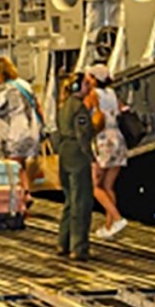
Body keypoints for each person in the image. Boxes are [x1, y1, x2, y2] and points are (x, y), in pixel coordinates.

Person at [0, 57, 48, 193]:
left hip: (14, 135)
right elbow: (38, 107)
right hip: (31, 132)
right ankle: (26, 194)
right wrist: (44, 128)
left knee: (11, 169)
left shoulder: (2, 89)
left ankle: (18, 201)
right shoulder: (24, 84)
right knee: (21, 166)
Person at [51, 72, 102, 261]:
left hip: (64, 152)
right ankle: (78, 247)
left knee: (69, 201)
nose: (89, 87)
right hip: (77, 155)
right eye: (86, 84)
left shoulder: (63, 107)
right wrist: (92, 159)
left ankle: (62, 242)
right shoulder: (79, 109)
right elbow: (82, 136)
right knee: (81, 201)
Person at [86, 64, 129, 239]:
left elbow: (85, 110)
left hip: (103, 139)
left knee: (95, 185)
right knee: (109, 186)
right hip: (118, 138)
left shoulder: (93, 95)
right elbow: (122, 109)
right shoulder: (112, 94)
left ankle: (117, 218)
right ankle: (110, 225)